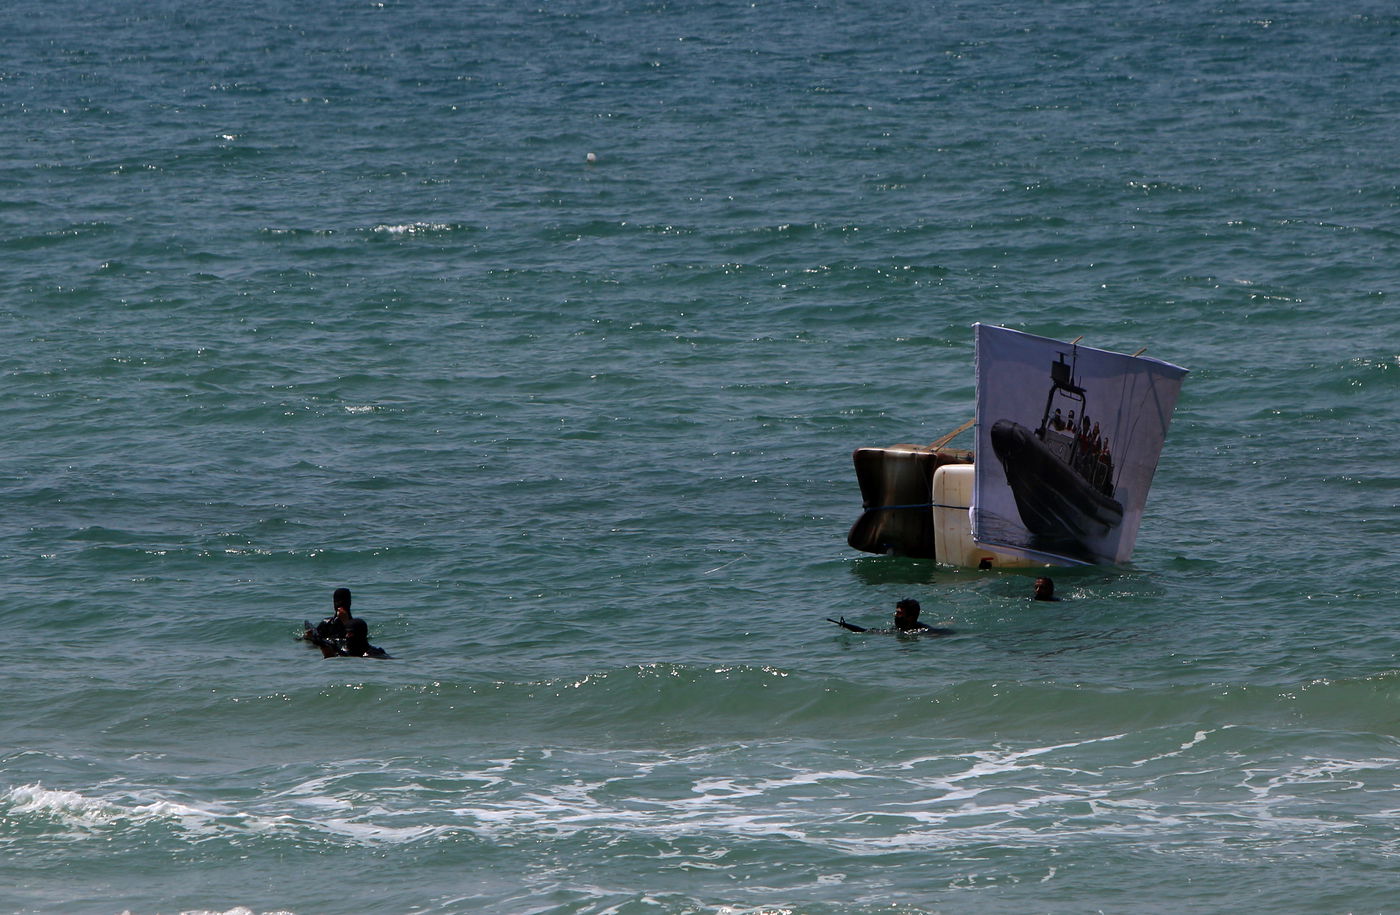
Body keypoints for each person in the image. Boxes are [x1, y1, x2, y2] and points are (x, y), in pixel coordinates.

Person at [828, 598, 953, 635]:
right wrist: (847, 626)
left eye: (899, 613)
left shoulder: (923, 631)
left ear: (910, 617)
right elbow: (868, 632)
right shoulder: (895, 630)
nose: (895, 615)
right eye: (896, 612)